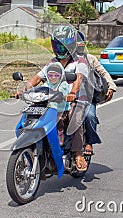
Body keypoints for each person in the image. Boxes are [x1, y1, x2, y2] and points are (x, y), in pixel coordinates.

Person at [23, 25, 90, 171]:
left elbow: (78, 78)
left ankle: (78, 152)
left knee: (74, 118)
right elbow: (38, 77)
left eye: (62, 45)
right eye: (57, 45)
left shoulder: (79, 61)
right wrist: (26, 88)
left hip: (75, 99)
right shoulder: (53, 61)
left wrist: (73, 93)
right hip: (52, 99)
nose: (59, 48)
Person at [76, 31, 117, 156]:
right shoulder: (64, 60)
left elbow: (103, 73)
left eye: (80, 44)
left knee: (89, 116)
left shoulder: (90, 59)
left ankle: (89, 141)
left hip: (86, 96)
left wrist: (112, 86)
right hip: (65, 97)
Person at [43, 62, 71, 145]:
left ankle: (60, 133)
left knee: (58, 120)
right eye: (50, 76)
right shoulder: (46, 84)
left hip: (61, 109)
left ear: (61, 76)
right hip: (48, 108)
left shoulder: (63, 84)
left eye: (56, 75)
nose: (53, 78)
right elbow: (42, 90)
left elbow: (63, 92)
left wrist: (58, 93)